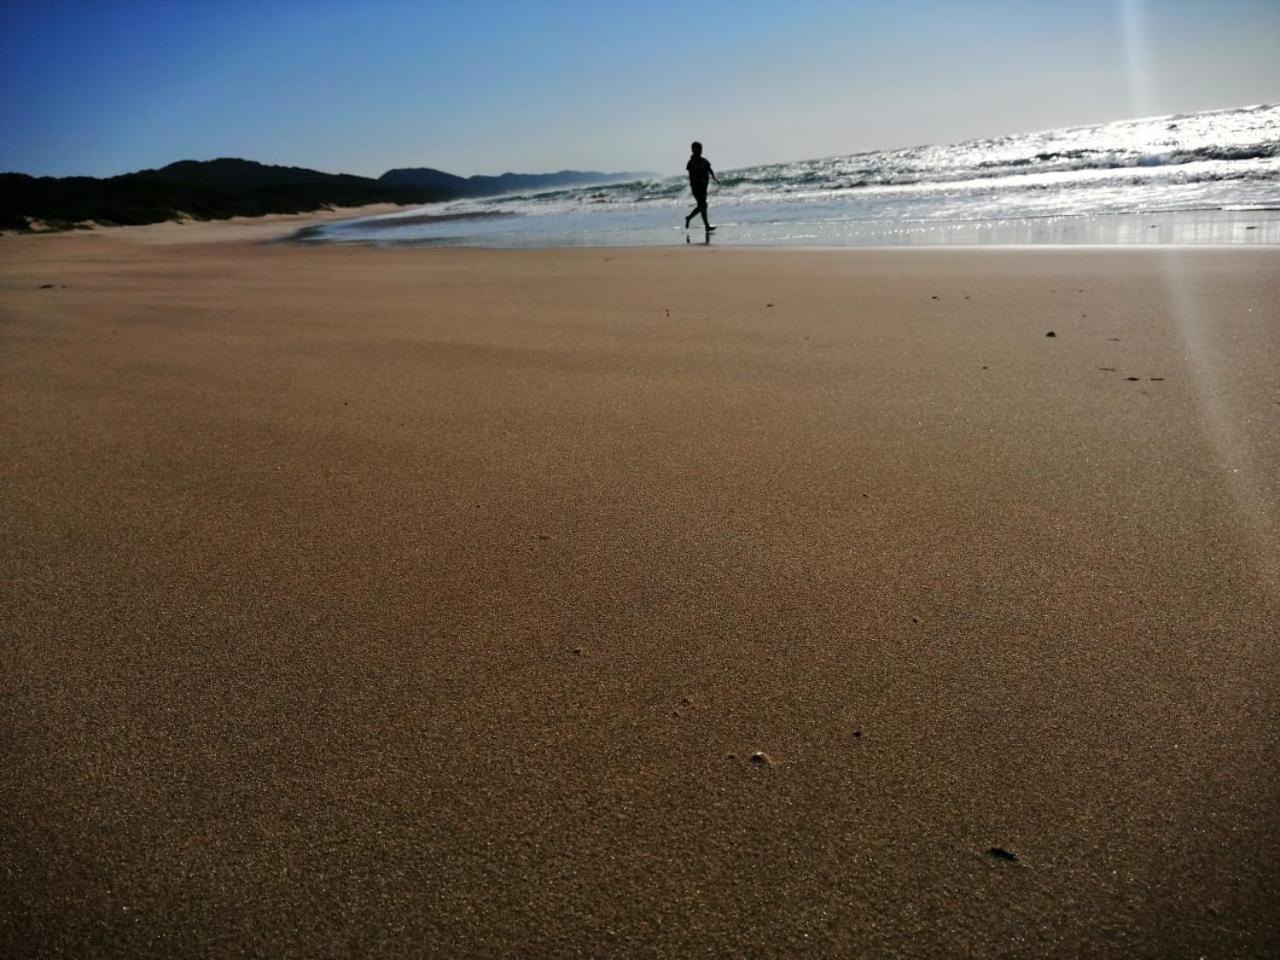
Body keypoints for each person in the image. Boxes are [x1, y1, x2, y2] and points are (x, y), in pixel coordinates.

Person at [684, 141, 719, 232]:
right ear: (693, 150)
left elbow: (709, 169)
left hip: (704, 186)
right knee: (703, 205)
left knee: (703, 206)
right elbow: (691, 175)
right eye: (697, 149)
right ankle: (690, 218)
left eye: (700, 149)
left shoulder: (704, 160)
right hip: (696, 187)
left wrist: (714, 177)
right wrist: (699, 181)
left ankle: (706, 226)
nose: (699, 151)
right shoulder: (691, 163)